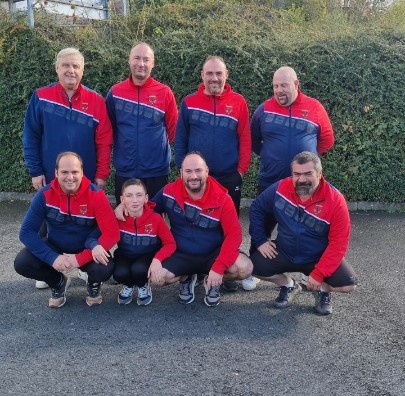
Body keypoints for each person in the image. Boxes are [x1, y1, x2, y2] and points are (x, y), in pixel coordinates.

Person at [22, 47, 113, 289]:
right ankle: (49, 268)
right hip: (51, 178)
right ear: (57, 69)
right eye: (66, 66)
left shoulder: (96, 101)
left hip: (86, 179)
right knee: (46, 222)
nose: (71, 70)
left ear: (83, 70)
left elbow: (104, 140)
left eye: (76, 66)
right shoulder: (41, 97)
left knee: (87, 223)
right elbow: (30, 136)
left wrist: (102, 175)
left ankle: (84, 267)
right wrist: (35, 170)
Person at [247, 66, 335, 291]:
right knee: (262, 224)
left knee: (308, 230)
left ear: (296, 84)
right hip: (270, 181)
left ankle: (315, 272)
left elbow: (326, 140)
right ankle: (256, 268)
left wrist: (308, 162)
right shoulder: (263, 109)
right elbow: (253, 140)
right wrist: (270, 156)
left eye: (284, 85)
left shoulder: (315, 107)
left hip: (305, 187)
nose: (279, 90)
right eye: (275, 86)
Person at [174, 56, 251, 292]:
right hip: (196, 179)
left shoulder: (238, 102)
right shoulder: (189, 102)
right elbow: (180, 140)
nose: (214, 78)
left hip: (228, 176)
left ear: (226, 75)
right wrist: (183, 173)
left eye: (219, 73)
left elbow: (245, 139)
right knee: (194, 224)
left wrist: (240, 171)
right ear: (202, 76)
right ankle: (195, 270)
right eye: (210, 73)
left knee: (227, 226)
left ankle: (225, 271)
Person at [249, 151, 356, 315]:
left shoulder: (335, 200)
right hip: (285, 251)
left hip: (317, 257)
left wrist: (319, 274)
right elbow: (257, 207)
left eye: (308, 174)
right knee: (249, 267)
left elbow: (339, 242)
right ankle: (288, 285)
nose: (301, 179)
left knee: (348, 284)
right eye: (296, 174)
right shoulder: (280, 188)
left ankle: (321, 290)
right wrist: (261, 240)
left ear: (319, 174)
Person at [14, 152, 120, 308]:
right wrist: (52, 258)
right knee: (22, 262)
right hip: (56, 247)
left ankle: (93, 283)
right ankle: (58, 282)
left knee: (104, 268)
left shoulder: (96, 195)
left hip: (85, 249)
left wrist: (80, 258)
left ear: (82, 173)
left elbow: (112, 233)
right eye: (64, 172)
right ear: (56, 173)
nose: (70, 177)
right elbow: (26, 232)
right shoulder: (44, 194)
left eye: (75, 172)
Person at [151, 152, 253, 307]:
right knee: (156, 279)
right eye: (188, 171)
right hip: (180, 252)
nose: (194, 176)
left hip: (212, 254)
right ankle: (186, 277)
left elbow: (234, 235)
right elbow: (149, 212)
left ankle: (210, 281)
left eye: (198, 170)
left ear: (206, 171)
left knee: (245, 268)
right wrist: (123, 209)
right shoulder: (168, 192)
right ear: (181, 173)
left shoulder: (223, 198)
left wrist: (218, 268)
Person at [106, 42, 178, 204]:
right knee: (125, 219)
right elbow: (109, 131)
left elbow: (174, 132)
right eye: (137, 58)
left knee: (155, 221)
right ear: (129, 60)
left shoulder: (165, 93)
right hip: (125, 171)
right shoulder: (115, 92)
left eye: (146, 59)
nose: (141, 64)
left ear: (153, 63)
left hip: (156, 172)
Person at [93, 179, 176, 306]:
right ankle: (129, 285)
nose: (135, 200)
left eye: (139, 195)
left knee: (138, 269)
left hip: (147, 256)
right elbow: (96, 235)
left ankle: (143, 285)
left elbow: (170, 244)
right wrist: (95, 245)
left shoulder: (156, 219)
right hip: (125, 254)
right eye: (129, 196)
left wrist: (158, 259)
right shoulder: (117, 218)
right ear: (122, 199)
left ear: (146, 198)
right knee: (119, 273)